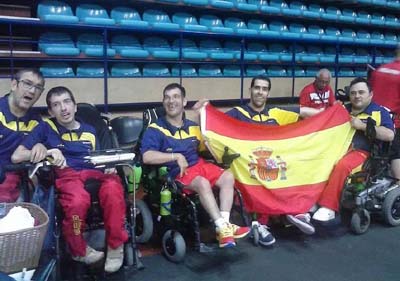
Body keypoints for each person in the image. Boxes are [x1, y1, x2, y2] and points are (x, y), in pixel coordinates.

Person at [11, 86, 128, 273]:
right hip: (67, 173)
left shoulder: (90, 130)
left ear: (74, 106)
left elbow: (98, 157)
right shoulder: (45, 128)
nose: (63, 108)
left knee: (114, 190)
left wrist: (109, 165)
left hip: (94, 170)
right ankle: (78, 249)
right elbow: (17, 156)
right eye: (56, 105)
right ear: (50, 111)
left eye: (67, 102)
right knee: (77, 201)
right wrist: (45, 150)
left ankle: (115, 245)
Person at [140, 83, 250, 248]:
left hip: (198, 164)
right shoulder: (155, 129)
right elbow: (147, 156)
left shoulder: (193, 127)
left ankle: (224, 225)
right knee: (202, 183)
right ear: (163, 102)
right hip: (176, 171)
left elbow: (208, 151)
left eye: (176, 97)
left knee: (228, 176)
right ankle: (221, 226)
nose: (171, 101)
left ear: (184, 102)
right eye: (167, 97)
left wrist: (204, 118)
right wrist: (175, 155)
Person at [226, 75, 321, 246]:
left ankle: (296, 211)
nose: (260, 92)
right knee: (262, 175)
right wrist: (204, 110)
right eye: (257, 88)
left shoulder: (276, 112)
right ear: (250, 90)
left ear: (268, 93)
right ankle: (261, 223)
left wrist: (330, 114)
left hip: (273, 162)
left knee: (295, 165)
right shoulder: (237, 114)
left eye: (264, 89)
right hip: (249, 165)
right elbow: (216, 125)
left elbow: (305, 111)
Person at [313, 77, 394, 222]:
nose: (357, 96)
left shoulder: (380, 112)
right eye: (353, 93)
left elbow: (389, 135)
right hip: (336, 148)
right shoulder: (343, 109)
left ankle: (329, 207)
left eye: (361, 92)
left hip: (363, 153)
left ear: (370, 94)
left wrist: (363, 126)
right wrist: (332, 110)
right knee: (316, 159)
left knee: (342, 166)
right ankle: (311, 199)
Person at [0, 68, 45, 203]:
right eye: (27, 83)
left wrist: (40, 145)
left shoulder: (37, 121)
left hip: (22, 181)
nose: (32, 91)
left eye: (38, 87)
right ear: (14, 85)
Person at [370, 44, 400, 182]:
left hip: (374, 118)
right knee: (396, 156)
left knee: (375, 155)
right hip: (395, 123)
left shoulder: (380, 70)